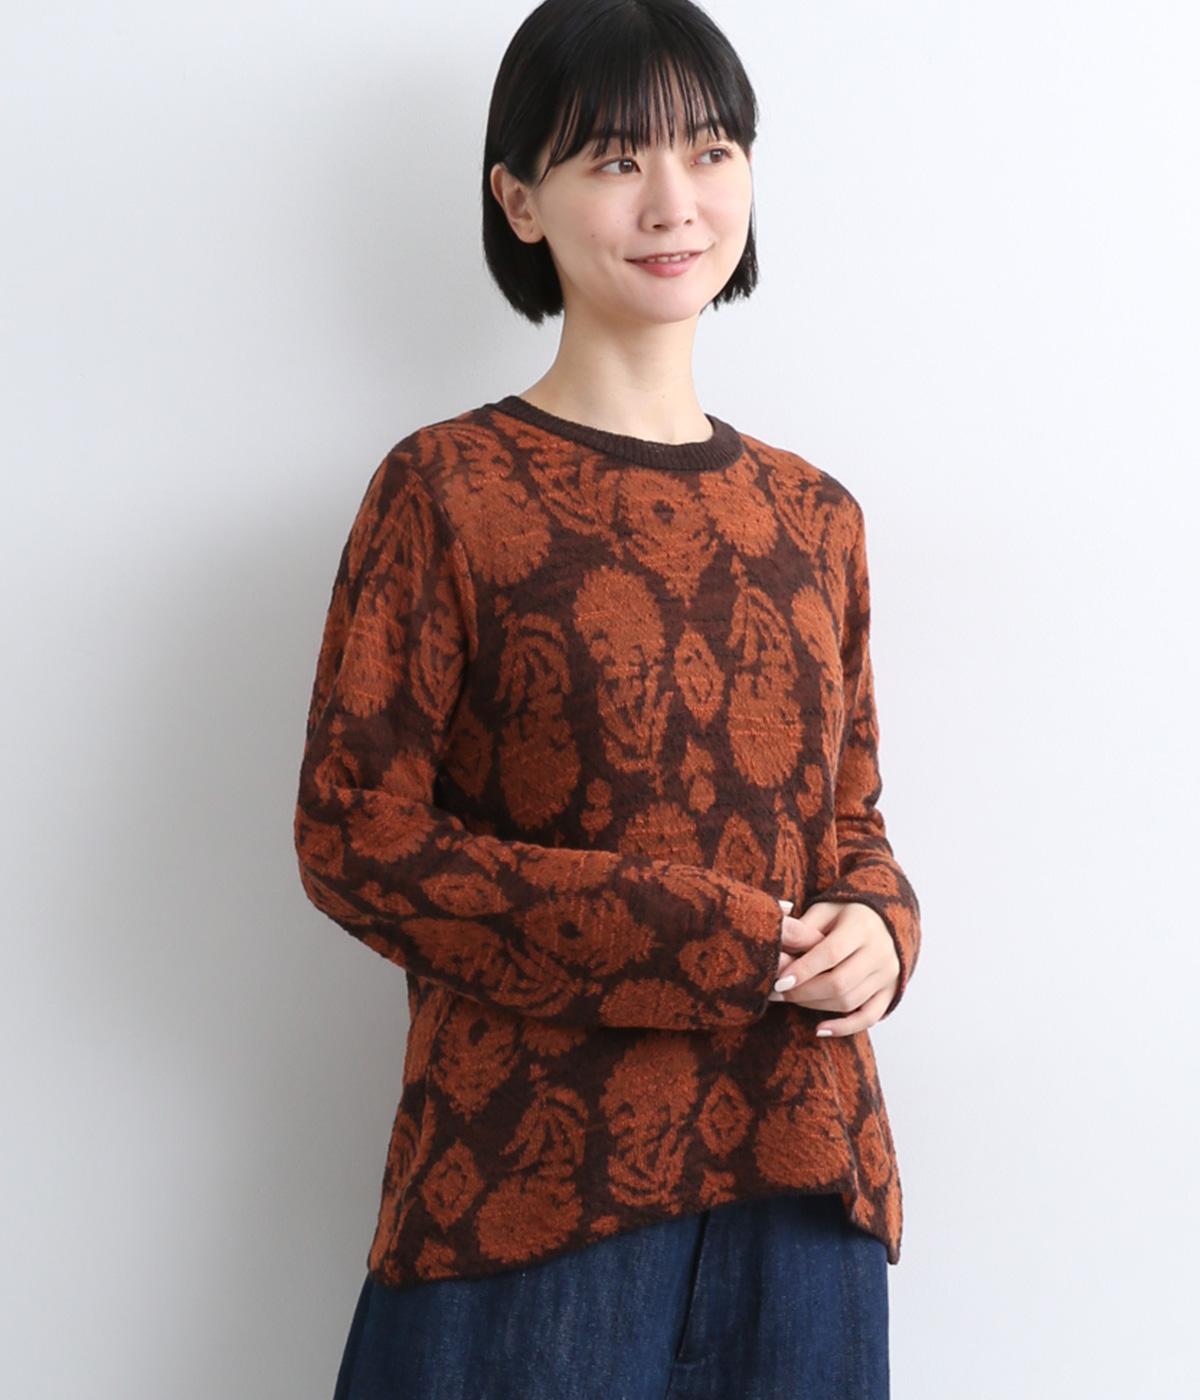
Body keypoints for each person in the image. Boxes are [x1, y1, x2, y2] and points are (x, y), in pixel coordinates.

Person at [293, 1, 922, 1395]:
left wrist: (884, 926)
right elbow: (353, 837)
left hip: (803, 1181)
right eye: (615, 158)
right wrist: (687, 935)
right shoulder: (447, 490)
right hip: (532, 1185)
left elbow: (850, 820)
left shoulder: (816, 516)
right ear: (519, 199)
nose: (674, 201)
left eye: (711, 150)